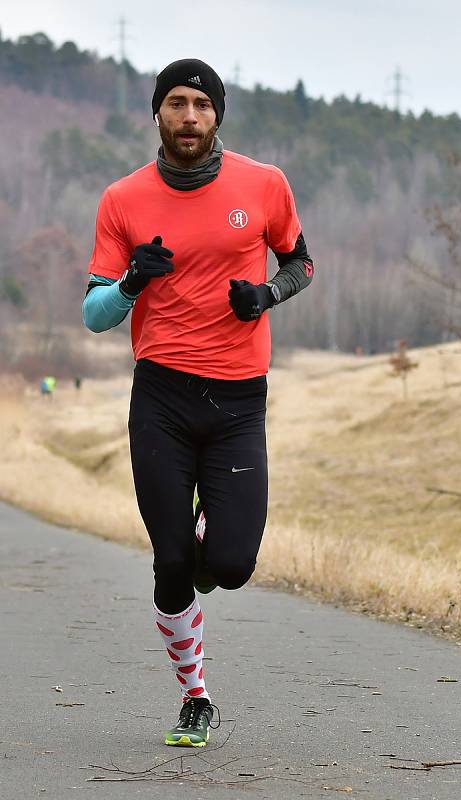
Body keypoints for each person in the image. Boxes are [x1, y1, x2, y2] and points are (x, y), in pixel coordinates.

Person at [82, 59, 314, 748]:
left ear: (218, 116)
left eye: (201, 105)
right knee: (171, 561)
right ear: (156, 113)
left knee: (232, 567)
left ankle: (212, 529)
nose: (189, 116)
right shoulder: (122, 199)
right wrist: (129, 283)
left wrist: (266, 296)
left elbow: (300, 263)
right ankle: (195, 697)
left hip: (239, 399)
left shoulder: (263, 184)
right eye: (176, 103)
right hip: (162, 397)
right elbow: (95, 314)